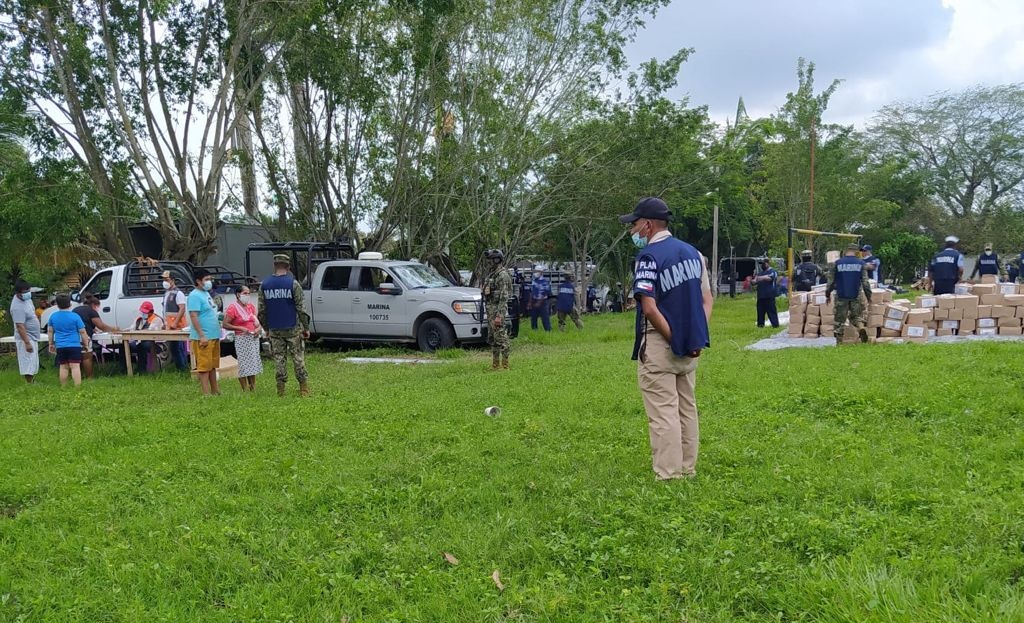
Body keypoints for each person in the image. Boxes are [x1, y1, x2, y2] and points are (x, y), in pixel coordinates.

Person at [621, 197, 712, 481]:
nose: (632, 231)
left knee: (663, 412)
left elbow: (648, 306)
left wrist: (675, 339)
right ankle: (688, 468)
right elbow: (707, 300)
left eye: (634, 224)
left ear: (647, 225)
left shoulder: (648, 258)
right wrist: (694, 338)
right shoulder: (694, 254)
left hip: (662, 343)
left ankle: (669, 474)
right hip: (692, 344)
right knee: (687, 407)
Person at [258, 254, 311, 397]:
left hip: (275, 329)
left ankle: (280, 390)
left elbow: (261, 310)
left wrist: (266, 328)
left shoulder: (264, 285)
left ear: (274, 266)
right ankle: (303, 389)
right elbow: (301, 309)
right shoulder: (293, 284)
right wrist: (306, 328)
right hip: (292, 328)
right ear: (288, 267)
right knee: (298, 358)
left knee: (279, 359)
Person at [826, 244, 873, 344]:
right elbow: (865, 283)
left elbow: (830, 282)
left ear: (845, 250)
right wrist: (869, 297)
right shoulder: (861, 263)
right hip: (856, 295)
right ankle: (861, 328)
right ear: (856, 252)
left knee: (840, 320)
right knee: (856, 316)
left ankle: (839, 343)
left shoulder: (837, 263)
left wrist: (827, 294)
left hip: (841, 295)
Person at [188, 268, 222, 396]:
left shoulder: (206, 293)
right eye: (206, 279)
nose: (209, 282)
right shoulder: (194, 295)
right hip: (204, 336)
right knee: (204, 367)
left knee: (212, 365)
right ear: (198, 281)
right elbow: (193, 316)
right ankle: (206, 393)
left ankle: (215, 390)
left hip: (213, 334)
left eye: (210, 279)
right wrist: (202, 335)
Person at [223, 285, 263, 391]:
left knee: (253, 362)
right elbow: (225, 324)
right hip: (242, 338)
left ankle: (253, 387)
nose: (247, 295)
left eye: (248, 293)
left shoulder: (250, 307)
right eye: (245, 293)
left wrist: (258, 329)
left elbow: (257, 322)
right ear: (238, 294)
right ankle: (244, 388)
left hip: (253, 338)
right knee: (244, 363)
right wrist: (239, 328)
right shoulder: (233, 308)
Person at [46, 293, 90, 387]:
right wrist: (85, 344)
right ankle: (77, 387)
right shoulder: (75, 316)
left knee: (63, 367)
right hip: (74, 345)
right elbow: (83, 332)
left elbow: (50, 331)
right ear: (70, 304)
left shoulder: (53, 316)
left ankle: (63, 386)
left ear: (57, 305)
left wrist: (51, 343)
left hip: (61, 346)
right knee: (75, 366)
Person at [73, 293, 120, 378]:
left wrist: (92, 328)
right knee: (87, 357)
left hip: (72, 336)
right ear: (94, 305)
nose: (98, 309)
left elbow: (84, 322)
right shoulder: (91, 312)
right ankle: (89, 377)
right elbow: (101, 326)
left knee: (76, 358)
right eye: (98, 306)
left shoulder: (76, 309)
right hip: (83, 336)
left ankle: (78, 376)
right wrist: (114, 329)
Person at [482, 249, 512, 370]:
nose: (489, 263)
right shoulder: (492, 274)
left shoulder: (502, 275)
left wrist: (499, 315)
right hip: (490, 311)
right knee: (493, 339)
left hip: (497, 311)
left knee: (501, 338)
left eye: (491, 260)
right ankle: (495, 364)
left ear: (496, 260)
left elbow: (504, 297)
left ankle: (505, 365)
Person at [10, 280, 40, 384]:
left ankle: (33, 381)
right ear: (18, 293)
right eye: (25, 291)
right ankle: (29, 383)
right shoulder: (17, 307)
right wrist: (27, 342)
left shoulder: (27, 300)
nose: (28, 293)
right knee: (27, 361)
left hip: (33, 336)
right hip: (25, 338)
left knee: (33, 361)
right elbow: (20, 326)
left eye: (28, 290)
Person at [125, 300, 164, 374]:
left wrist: (137, 332)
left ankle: (142, 370)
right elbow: (131, 328)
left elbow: (150, 331)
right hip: (139, 341)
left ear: (151, 312)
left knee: (142, 346)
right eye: (142, 312)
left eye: (145, 312)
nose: (143, 314)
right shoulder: (139, 319)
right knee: (124, 346)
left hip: (155, 344)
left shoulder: (156, 319)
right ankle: (125, 369)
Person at [161, 270, 189, 371]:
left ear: (173, 280)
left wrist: (175, 323)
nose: (165, 282)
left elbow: (182, 308)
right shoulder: (167, 293)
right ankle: (181, 368)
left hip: (177, 326)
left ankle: (182, 368)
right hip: (170, 325)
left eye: (167, 280)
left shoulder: (178, 293)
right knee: (174, 348)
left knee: (178, 348)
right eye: (164, 280)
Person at [751, 258, 779, 328]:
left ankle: (775, 325)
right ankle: (760, 325)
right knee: (760, 312)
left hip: (769, 296)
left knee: (771, 312)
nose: (762, 265)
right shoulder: (760, 273)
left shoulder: (773, 271)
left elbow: (770, 278)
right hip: (761, 296)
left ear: (767, 263)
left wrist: (759, 278)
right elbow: (754, 281)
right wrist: (754, 280)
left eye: (763, 264)